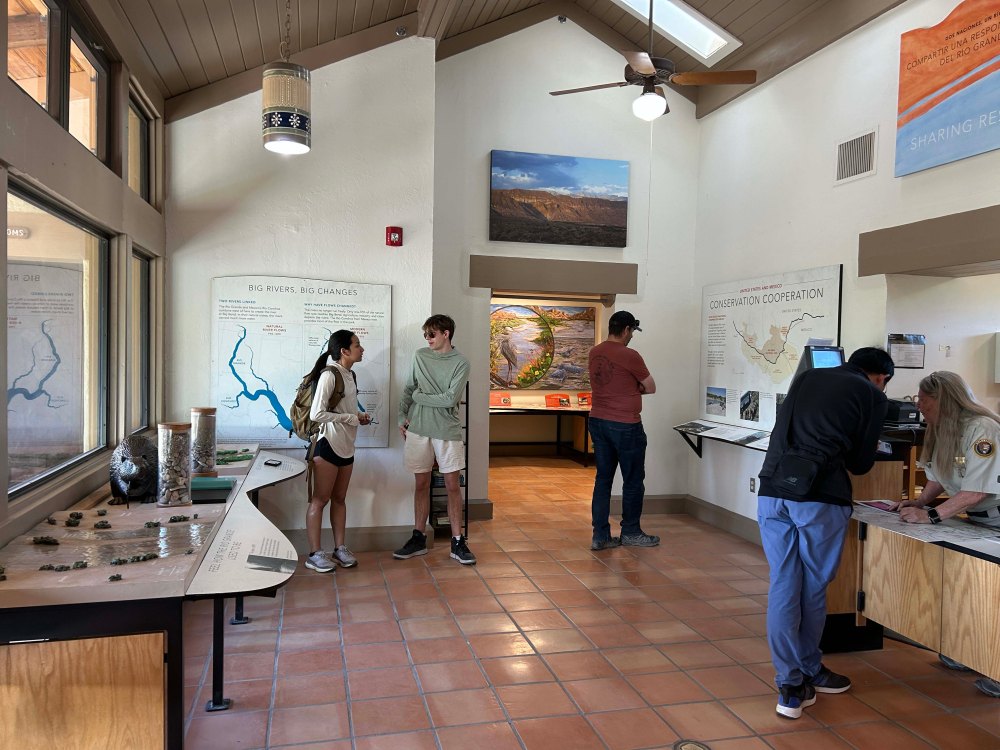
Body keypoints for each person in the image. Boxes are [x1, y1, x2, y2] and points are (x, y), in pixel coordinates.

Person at [757, 347, 894, 719]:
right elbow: (861, 464)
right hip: (820, 497)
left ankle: (790, 686)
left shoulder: (808, 376)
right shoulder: (872, 395)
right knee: (813, 589)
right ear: (880, 377)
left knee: (784, 584)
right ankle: (811, 670)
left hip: (772, 491)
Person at [890, 370, 1000, 697]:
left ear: (944, 400)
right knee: (973, 586)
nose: (918, 406)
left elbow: (976, 490)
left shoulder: (982, 430)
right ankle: (971, 651)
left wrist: (932, 516)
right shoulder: (943, 428)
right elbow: (941, 474)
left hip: (994, 515)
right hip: (980, 520)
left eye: (924, 400)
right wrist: (920, 501)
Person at [394, 314, 474, 564]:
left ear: (446, 334)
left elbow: (450, 399)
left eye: (431, 334)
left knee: (452, 485)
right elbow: (410, 388)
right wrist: (401, 416)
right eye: (425, 334)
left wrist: (420, 397)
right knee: (421, 484)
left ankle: (458, 542)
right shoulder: (420, 356)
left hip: (447, 430)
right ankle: (418, 537)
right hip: (418, 428)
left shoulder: (461, 362)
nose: (427, 339)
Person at [588, 310, 658, 551]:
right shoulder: (630, 355)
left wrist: (626, 387)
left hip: (597, 420)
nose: (631, 337)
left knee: (603, 480)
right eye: (632, 332)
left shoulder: (594, 352)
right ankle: (631, 532)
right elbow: (651, 387)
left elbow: (606, 382)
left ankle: (600, 536)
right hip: (625, 425)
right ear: (627, 329)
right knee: (633, 481)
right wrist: (632, 388)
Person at [304, 330, 372, 573]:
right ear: (344, 351)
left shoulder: (350, 374)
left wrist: (358, 416)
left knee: (340, 499)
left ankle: (340, 549)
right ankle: (314, 554)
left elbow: (344, 409)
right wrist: (349, 418)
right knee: (320, 499)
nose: (361, 349)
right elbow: (316, 414)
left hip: (346, 445)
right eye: (357, 345)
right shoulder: (329, 375)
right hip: (327, 445)